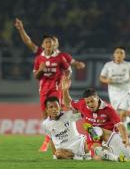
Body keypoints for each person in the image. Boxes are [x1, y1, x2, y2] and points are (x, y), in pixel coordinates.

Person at [14, 18, 85, 152]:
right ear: (43, 44)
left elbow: (69, 68)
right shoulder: (39, 57)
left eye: (51, 43)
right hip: (43, 89)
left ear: (54, 45)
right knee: (46, 115)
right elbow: (28, 43)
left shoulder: (60, 57)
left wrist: (65, 79)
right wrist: (21, 29)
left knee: (57, 110)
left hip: (56, 87)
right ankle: (50, 137)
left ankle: (54, 139)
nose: (48, 44)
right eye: (46, 42)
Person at [42, 96, 128, 162]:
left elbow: (86, 112)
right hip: (65, 150)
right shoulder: (45, 124)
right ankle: (81, 158)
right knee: (58, 153)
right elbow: (51, 139)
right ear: (46, 109)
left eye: (56, 106)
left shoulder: (69, 115)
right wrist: (54, 154)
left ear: (60, 107)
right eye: (51, 107)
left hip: (80, 143)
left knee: (96, 142)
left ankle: (119, 154)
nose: (54, 109)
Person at [61, 76, 129, 149]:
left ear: (97, 98)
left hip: (108, 136)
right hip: (93, 137)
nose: (90, 104)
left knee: (98, 132)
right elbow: (68, 104)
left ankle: (111, 151)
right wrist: (65, 90)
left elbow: (120, 125)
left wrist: (125, 139)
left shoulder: (108, 109)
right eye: (88, 102)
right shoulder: (82, 104)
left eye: (92, 101)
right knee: (98, 153)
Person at [99, 47, 130, 128]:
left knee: (123, 113)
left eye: (121, 53)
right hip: (113, 93)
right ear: (114, 54)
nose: (119, 54)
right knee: (119, 115)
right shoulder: (108, 65)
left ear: (124, 55)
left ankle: (122, 132)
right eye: (117, 52)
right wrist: (107, 80)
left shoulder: (128, 65)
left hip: (125, 91)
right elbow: (101, 77)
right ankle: (128, 129)